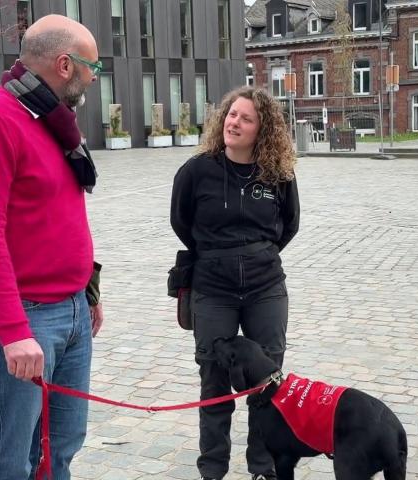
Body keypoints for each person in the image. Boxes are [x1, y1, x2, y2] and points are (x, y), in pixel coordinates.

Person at [0, 15, 104, 480]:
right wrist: (14, 331)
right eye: (91, 67)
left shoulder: (53, 121)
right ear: (63, 64)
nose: (93, 78)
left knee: (60, 448)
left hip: (71, 311)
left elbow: (57, 216)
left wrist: (87, 292)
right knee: (8, 460)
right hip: (20, 318)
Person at [170, 86, 300, 480]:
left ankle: (263, 466)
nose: (234, 123)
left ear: (263, 129)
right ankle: (213, 468)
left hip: (265, 289)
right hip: (213, 290)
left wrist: (255, 254)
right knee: (214, 379)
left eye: (245, 118)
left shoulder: (277, 173)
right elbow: (181, 222)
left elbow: (288, 225)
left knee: (267, 381)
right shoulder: (197, 170)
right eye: (231, 115)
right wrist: (220, 254)